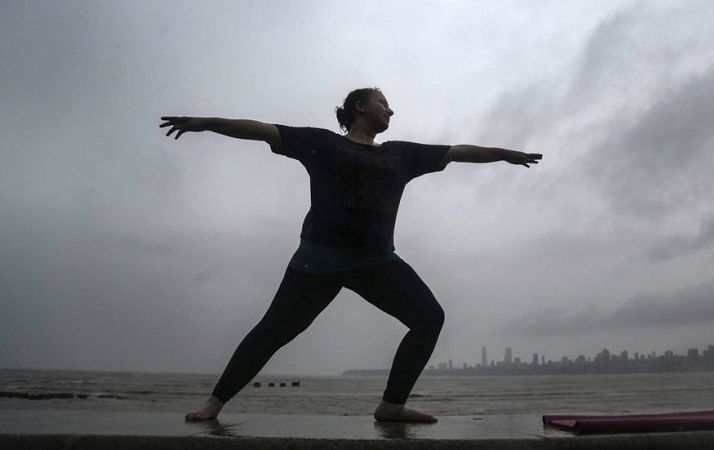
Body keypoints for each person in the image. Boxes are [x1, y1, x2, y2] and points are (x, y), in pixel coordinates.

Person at [160, 87, 542, 423]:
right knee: (272, 333)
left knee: (429, 318)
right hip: (318, 261)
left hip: (375, 261)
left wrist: (503, 154)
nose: (390, 111)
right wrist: (206, 122)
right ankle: (214, 402)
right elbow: (262, 130)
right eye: (383, 103)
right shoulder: (324, 143)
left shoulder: (401, 154)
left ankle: (392, 405)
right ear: (360, 106)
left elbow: (457, 151)